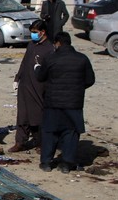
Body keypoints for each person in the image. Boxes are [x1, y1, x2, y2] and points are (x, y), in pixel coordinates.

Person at [34, 32, 95, 173]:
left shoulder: (51, 58)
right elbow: (90, 80)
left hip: (53, 103)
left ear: (57, 43)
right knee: (71, 133)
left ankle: (46, 162)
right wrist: (77, 88)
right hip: (74, 104)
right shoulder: (82, 59)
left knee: (50, 132)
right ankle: (66, 164)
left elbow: (41, 77)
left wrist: (37, 68)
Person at [10, 20, 55, 153]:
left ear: (43, 32)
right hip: (25, 84)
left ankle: (40, 142)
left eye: (35, 33)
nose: (33, 35)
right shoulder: (31, 45)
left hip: (39, 87)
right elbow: (25, 63)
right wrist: (17, 78)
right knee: (23, 115)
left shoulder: (49, 48)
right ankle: (20, 142)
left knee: (37, 116)